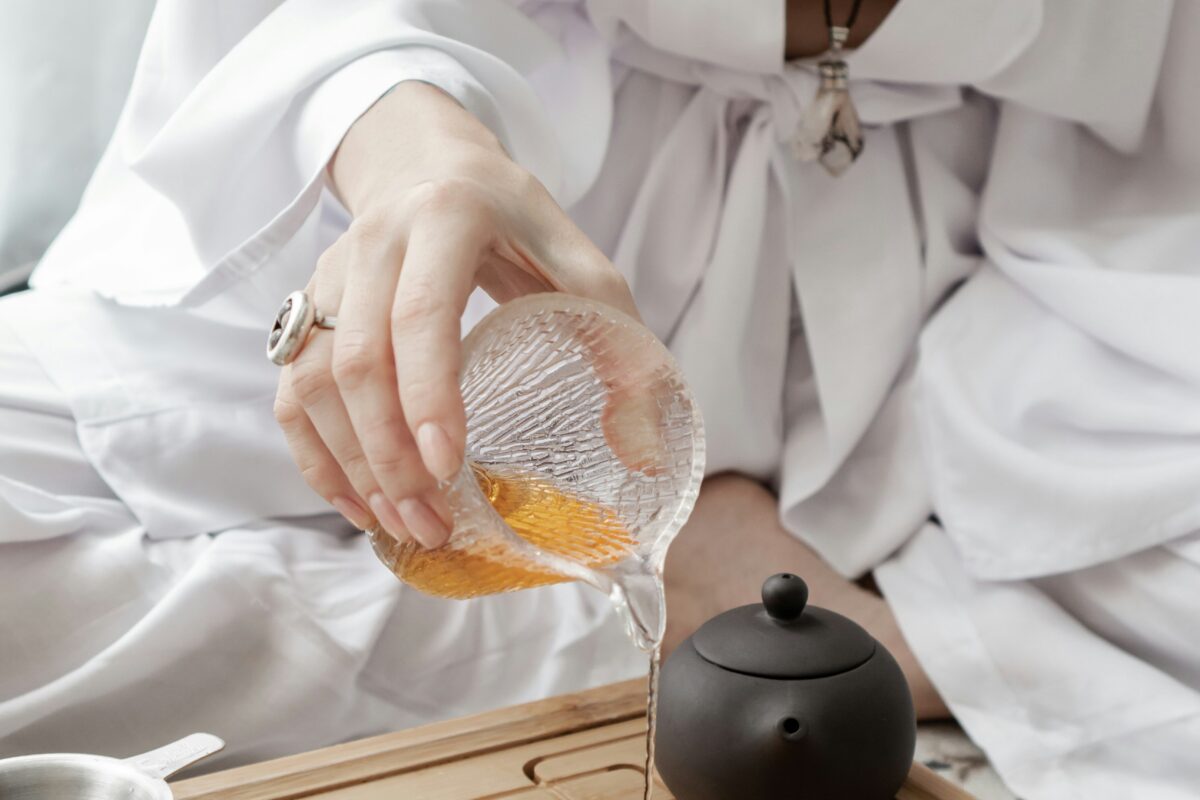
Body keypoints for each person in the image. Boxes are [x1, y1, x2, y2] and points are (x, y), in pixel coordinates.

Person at [2, 1, 1198, 796]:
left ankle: (781, 625)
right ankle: (732, 626)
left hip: (986, 289)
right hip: (461, 185)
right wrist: (413, 150)